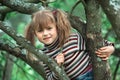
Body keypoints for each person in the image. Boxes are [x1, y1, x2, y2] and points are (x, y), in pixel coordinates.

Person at [25, 9, 115, 80]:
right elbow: (50, 78)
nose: (45, 33)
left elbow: (95, 42)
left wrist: (110, 47)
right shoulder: (44, 54)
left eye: (49, 28)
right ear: (35, 33)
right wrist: (56, 66)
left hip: (90, 75)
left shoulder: (72, 39)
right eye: (40, 31)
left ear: (57, 27)